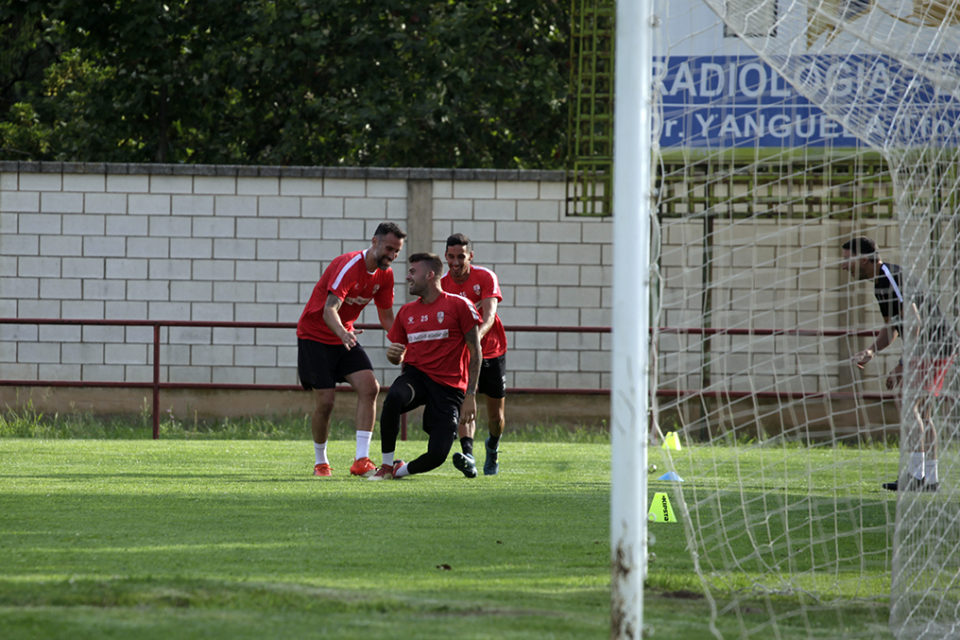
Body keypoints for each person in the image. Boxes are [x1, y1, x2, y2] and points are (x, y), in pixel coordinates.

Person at [841, 236, 955, 492]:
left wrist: (903, 364)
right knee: (921, 410)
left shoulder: (889, 278)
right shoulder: (880, 282)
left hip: (933, 346)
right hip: (938, 346)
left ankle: (916, 476)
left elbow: (914, 322)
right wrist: (871, 350)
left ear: (864, 259)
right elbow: (892, 327)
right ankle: (930, 478)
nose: (844, 266)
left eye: (848, 260)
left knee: (907, 403)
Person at [296, 222, 406, 477]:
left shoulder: (385, 275)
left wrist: (402, 342)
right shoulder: (348, 265)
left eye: (397, 251)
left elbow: (387, 316)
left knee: (370, 388)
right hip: (315, 336)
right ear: (374, 242)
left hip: (344, 336)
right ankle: (321, 462)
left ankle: (361, 460)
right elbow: (328, 310)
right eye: (389, 248)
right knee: (326, 402)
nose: (392, 255)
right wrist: (343, 332)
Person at [369, 252, 482, 480]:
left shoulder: (460, 305)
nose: (408, 277)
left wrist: (470, 395)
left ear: (430, 275)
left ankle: (400, 470)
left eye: (413, 272)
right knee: (393, 398)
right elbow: (397, 355)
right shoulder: (406, 312)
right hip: (417, 377)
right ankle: (385, 465)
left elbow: (476, 351)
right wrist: (394, 356)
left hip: (449, 388)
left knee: (438, 455)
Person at [440, 233, 508, 477]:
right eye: (451, 257)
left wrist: (474, 340)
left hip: (491, 351)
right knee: (465, 405)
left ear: (471, 256)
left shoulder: (485, 277)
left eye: (461, 256)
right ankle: (468, 455)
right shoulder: (443, 283)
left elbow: (489, 315)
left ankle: (492, 446)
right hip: (463, 355)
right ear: (445, 256)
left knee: (496, 417)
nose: (455, 262)